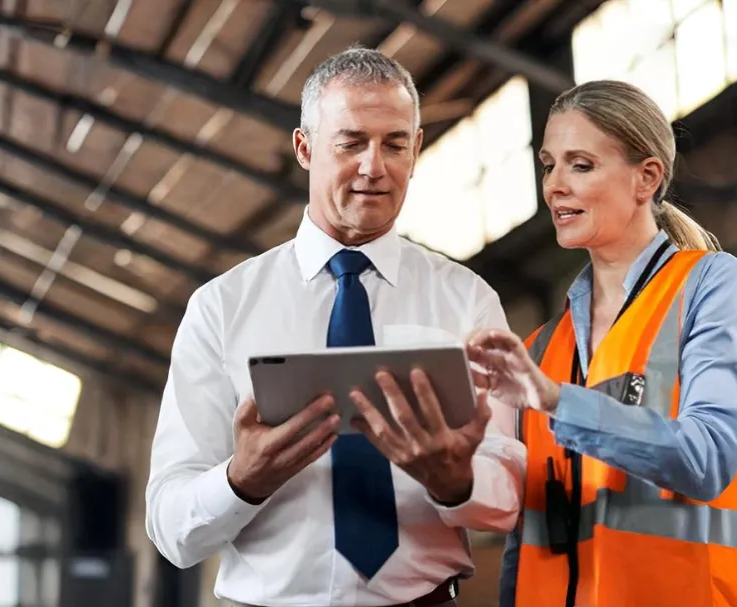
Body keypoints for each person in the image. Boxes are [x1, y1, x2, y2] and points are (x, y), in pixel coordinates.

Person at [144, 47, 525, 607]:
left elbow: (511, 493)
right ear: (305, 148)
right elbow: (171, 527)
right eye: (350, 142)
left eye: (395, 143)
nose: (375, 166)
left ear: (416, 149)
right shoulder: (222, 308)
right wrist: (241, 479)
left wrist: (455, 481)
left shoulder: (467, 301)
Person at [465, 80, 737, 607]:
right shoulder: (537, 351)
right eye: (548, 164)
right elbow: (523, 538)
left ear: (646, 178)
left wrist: (557, 402)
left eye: (580, 165)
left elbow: (708, 456)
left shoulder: (709, 286)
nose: (555, 185)